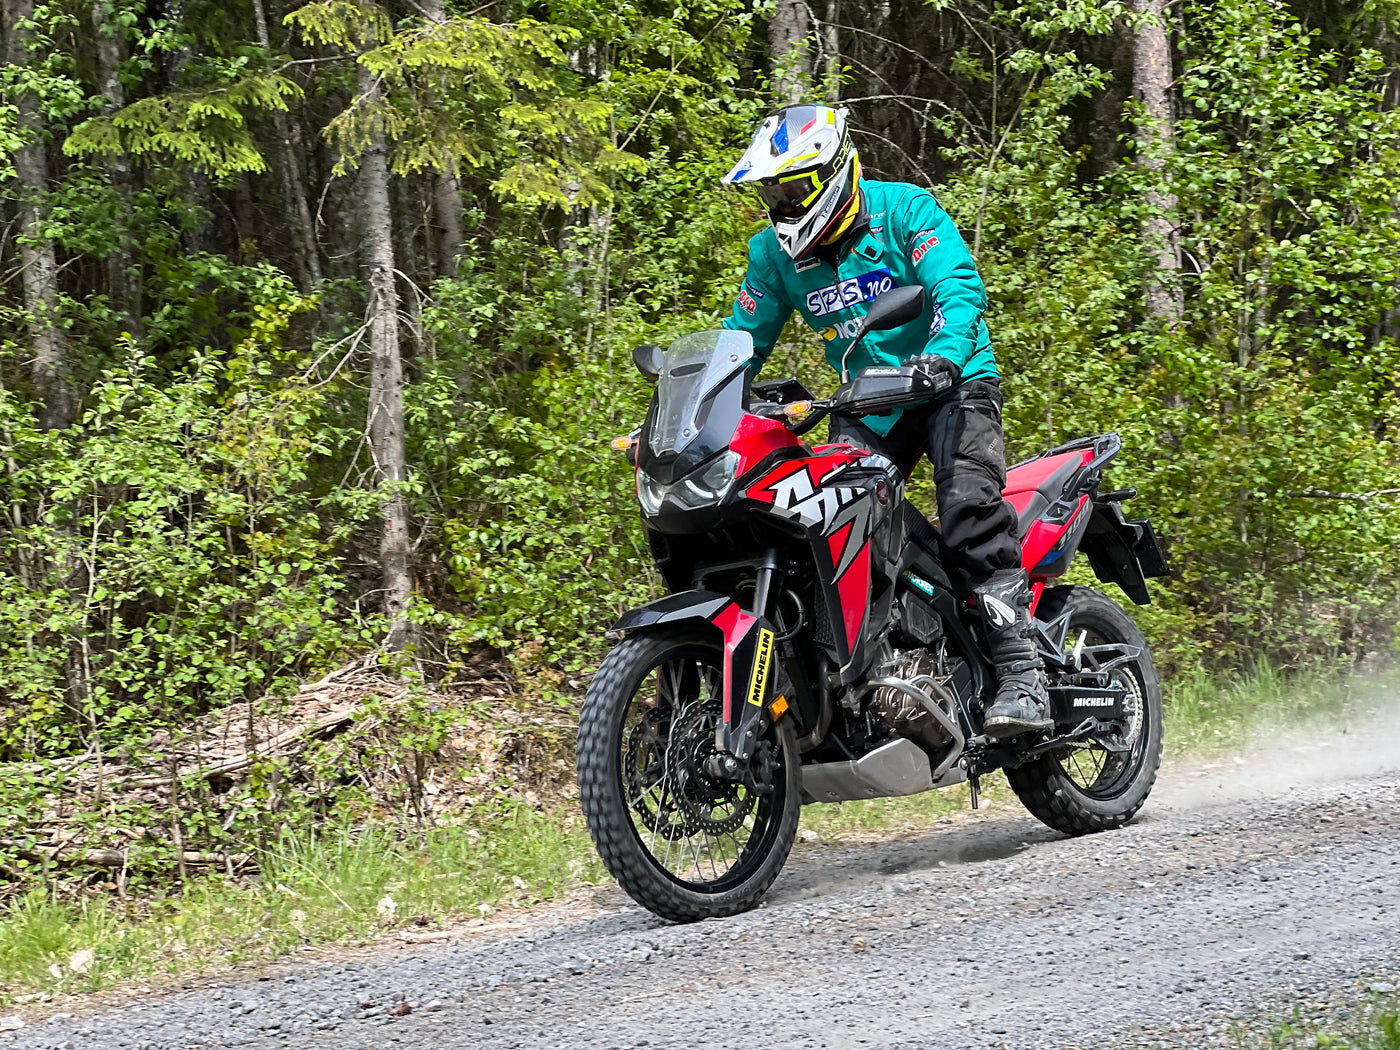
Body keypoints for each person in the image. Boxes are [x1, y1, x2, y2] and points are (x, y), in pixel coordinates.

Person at [720, 104, 1049, 738]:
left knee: (968, 513)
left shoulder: (905, 211)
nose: (782, 205)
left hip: (954, 384)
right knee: (822, 520)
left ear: (834, 174)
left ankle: (1022, 673)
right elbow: (740, 340)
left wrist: (942, 358)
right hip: (867, 401)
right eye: (772, 192)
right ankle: (878, 671)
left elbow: (958, 287)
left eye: (792, 189)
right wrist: (704, 398)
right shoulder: (773, 256)